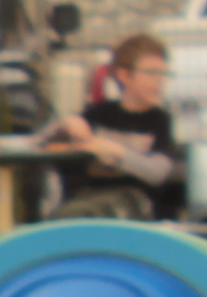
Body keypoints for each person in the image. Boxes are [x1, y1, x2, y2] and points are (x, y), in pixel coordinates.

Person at [40, 32, 187, 226]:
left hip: (136, 205)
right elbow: (40, 142)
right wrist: (66, 123)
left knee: (78, 216)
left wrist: (116, 153)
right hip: (88, 198)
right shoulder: (98, 114)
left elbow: (158, 172)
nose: (159, 81)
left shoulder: (161, 121)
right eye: (151, 73)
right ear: (124, 75)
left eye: (163, 74)